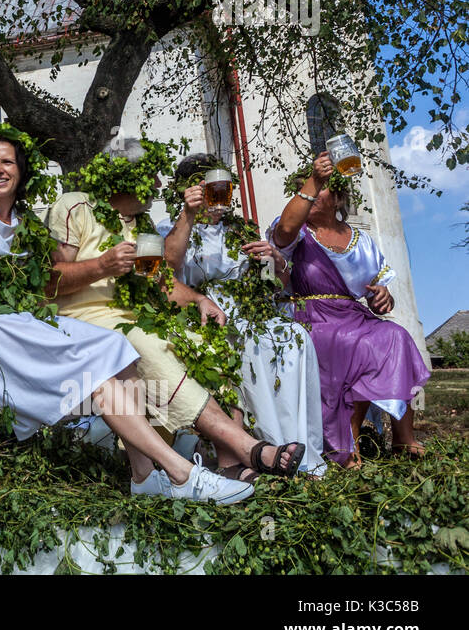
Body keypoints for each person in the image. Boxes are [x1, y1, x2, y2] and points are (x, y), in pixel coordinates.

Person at [0, 125, 256, 504]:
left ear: (21, 169)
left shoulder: (24, 224)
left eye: (7, 162)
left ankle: (143, 475)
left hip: (15, 315)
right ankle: (181, 473)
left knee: (115, 346)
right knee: (92, 371)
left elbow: (39, 283)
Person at [45, 136, 308, 479]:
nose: (157, 185)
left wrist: (199, 299)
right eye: (151, 176)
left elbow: (161, 283)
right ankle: (253, 449)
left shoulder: (143, 227)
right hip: (85, 322)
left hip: (137, 318)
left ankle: (230, 463)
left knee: (210, 341)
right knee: (149, 348)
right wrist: (101, 266)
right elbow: (50, 282)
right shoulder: (74, 206)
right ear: (126, 176)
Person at [159, 154, 327, 477]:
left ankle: (295, 446)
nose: (222, 198)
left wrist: (275, 261)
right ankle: (259, 446)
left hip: (250, 310)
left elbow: (271, 287)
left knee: (295, 338)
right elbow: (167, 271)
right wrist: (188, 214)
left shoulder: (240, 231)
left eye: (226, 189)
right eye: (213, 187)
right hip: (204, 312)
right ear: (193, 188)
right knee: (246, 343)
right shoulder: (175, 227)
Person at [269, 152, 430, 466]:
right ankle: (347, 440)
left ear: (339, 196)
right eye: (305, 190)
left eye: (321, 188)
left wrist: (383, 296)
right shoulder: (298, 233)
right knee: (355, 342)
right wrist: (315, 179)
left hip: (354, 314)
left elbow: (377, 293)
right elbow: (284, 231)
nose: (312, 194)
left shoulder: (362, 241)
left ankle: (403, 437)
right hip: (311, 314)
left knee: (395, 335)